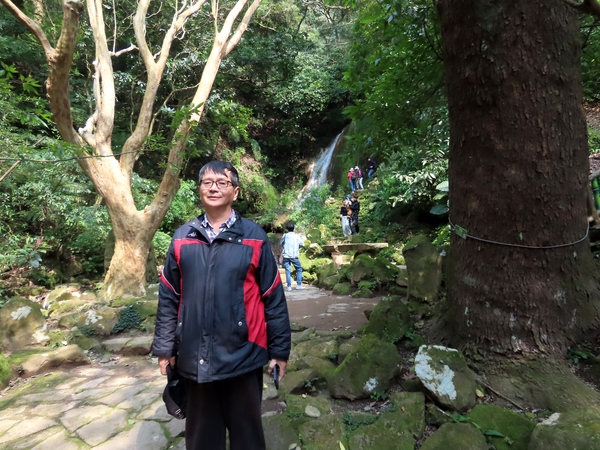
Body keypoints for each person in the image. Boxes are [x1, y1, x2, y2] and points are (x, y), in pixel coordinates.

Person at [152, 160, 291, 450]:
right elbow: (169, 297)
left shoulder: (254, 237)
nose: (214, 188)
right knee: (202, 439)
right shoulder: (182, 237)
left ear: (235, 192)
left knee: (248, 439)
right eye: (207, 182)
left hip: (243, 354)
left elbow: (273, 297)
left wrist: (279, 351)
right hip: (194, 356)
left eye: (222, 182)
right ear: (199, 189)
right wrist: (165, 348)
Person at [280, 222, 305, 291]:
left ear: (287, 229)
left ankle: (289, 286)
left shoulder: (285, 235)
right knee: (299, 269)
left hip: (286, 255)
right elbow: (302, 244)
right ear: (294, 228)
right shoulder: (297, 236)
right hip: (294, 255)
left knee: (288, 270)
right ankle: (299, 285)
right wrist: (297, 247)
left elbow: (281, 243)